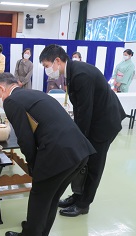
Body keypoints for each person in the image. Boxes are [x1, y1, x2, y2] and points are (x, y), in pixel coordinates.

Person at [0, 72, 95, 236]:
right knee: (51, 198)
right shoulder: (35, 93)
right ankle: (38, 234)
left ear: (2, 88)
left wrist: (33, 165)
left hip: (59, 153)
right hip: (80, 151)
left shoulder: (11, 101)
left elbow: (25, 139)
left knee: (40, 197)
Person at [39, 44, 126, 218]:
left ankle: (84, 204)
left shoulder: (80, 74)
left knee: (94, 164)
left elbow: (85, 111)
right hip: (95, 119)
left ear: (57, 60)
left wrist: (79, 139)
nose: (47, 70)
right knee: (83, 162)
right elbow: (81, 109)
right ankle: (77, 195)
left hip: (104, 124)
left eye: (47, 66)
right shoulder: (71, 71)